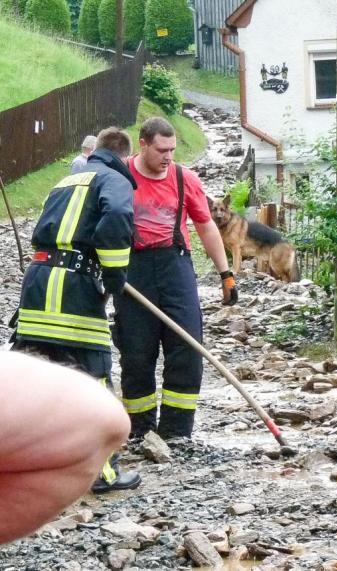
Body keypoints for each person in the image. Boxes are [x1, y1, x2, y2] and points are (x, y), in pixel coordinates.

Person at [12, 126, 141, 493]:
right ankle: (103, 473)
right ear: (124, 157)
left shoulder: (65, 181)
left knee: (37, 378)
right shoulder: (115, 179)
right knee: (95, 378)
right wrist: (115, 277)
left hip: (38, 286)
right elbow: (116, 217)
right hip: (75, 290)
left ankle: (28, 467)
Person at [115, 116, 237, 441]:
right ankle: (140, 430)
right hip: (132, 270)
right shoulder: (119, 176)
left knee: (187, 347)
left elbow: (206, 226)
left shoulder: (185, 179)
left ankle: (177, 431)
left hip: (175, 266)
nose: (168, 157)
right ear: (142, 143)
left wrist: (226, 274)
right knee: (137, 353)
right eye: (161, 150)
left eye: (172, 149)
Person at [0, 352, 130, 544]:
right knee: (94, 409)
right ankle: (107, 475)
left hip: (36, 334)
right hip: (83, 340)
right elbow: (100, 418)